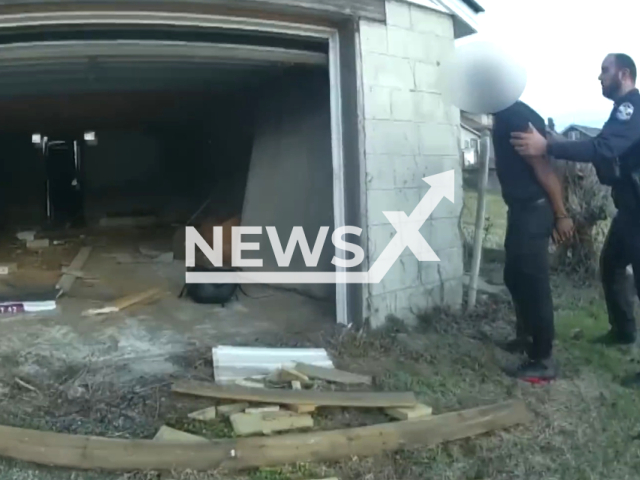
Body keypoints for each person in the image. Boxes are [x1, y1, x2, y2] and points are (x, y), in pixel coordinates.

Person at [510, 53, 640, 350]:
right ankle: (623, 332)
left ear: (623, 74)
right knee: (610, 266)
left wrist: (549, 146)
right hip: (629, 209)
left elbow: (603, 148)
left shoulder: (632, 108)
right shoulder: (622, 110)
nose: (599, 77)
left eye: (605, 71)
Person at [492, 100, 574, 382]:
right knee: (514, 275)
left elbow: (544, 168)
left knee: (532, 281)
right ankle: (526, 337)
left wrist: (561, 214)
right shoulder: (506, 113)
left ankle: (543, 358)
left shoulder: (514, 117)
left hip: (533, 209)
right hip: (521, 209)